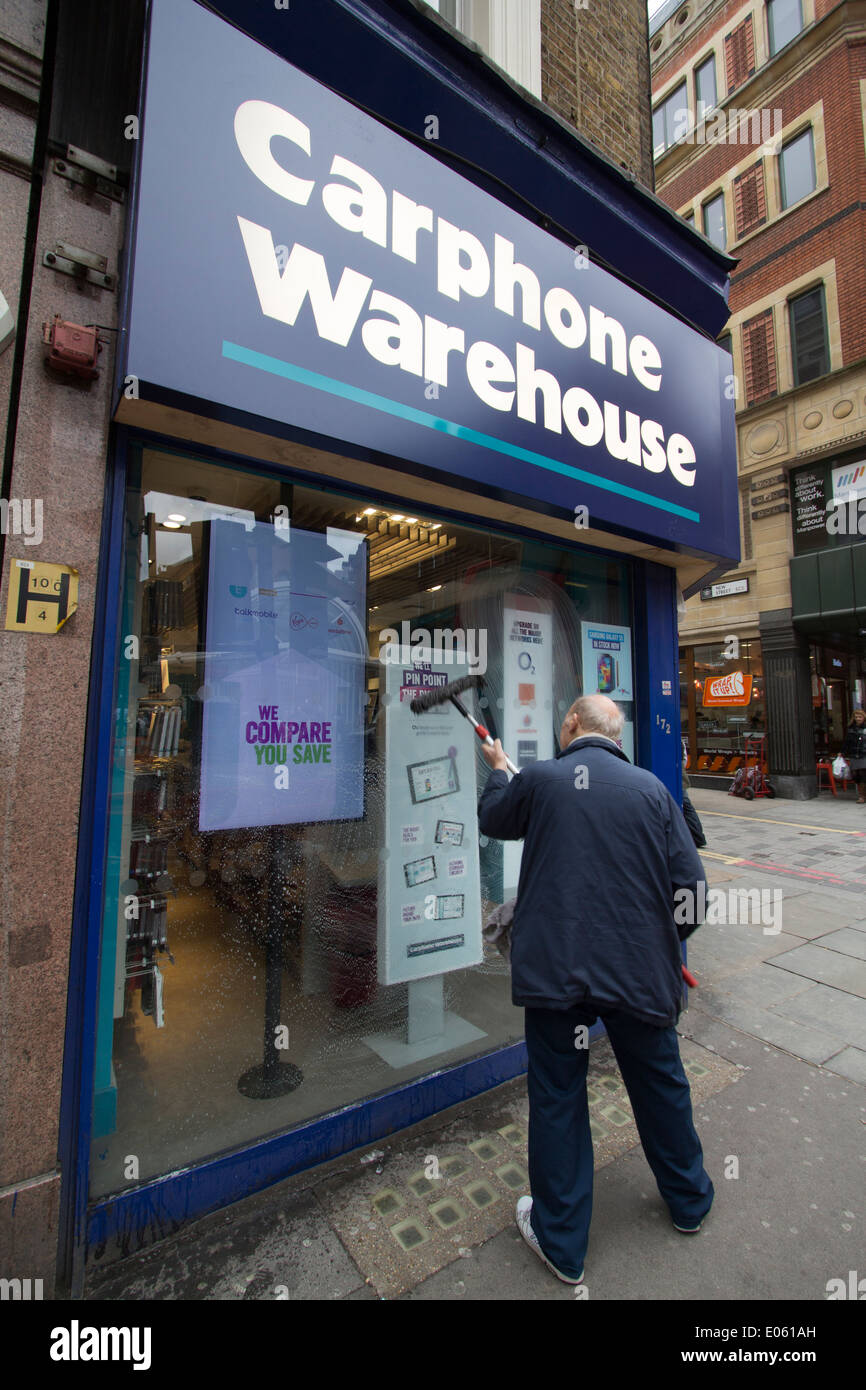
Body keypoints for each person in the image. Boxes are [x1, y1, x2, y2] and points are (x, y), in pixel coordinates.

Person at [478, 693, 713, 1285]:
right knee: (660, 1082)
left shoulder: (543, 780)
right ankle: (690, 1202)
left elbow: (496, 818)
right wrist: (665, 938)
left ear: (573, 726)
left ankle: (563, 1244)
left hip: (560, 977)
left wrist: (496, 773)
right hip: (639, 972)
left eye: (563, 723)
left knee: (559, 1096)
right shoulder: (652, 791)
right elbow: (692, 891)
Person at [841, 707, 866, 804]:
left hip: (864, 754)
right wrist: (842, 751)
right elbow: (847, 742)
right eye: (856, 717)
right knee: (856, 775)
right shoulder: (851, 729)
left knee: (864, 774)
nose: (858, 719)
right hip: (854, 754)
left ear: (863, 717)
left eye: (860, 717)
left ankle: (862, 796)